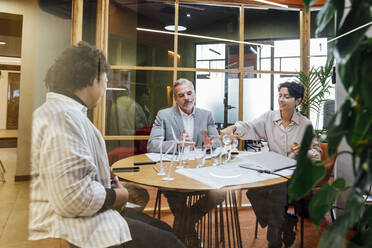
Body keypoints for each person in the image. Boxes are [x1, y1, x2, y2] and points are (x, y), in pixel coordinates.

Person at [29, 41, 185, 248]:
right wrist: (118, 194)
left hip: (84, 216)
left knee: (165, 229)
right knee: (170, 242)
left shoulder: (63, 113)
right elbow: (72, 198)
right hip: (80, 228)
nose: (105, 88)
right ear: (93, 78)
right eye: (105, 80)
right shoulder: (64, 118)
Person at [221, 81, 322, 248]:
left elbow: (317, 155)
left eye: (287, 97)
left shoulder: (305, 125)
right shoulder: (269, 118)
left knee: (278, 192)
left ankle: (273, 240)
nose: (281, 100)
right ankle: (286, 222)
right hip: (273, 173)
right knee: (253, 192)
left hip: (295, 177)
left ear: (298, 101)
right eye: (280, 96)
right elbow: (250, 126)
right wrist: (232, 128)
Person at [147, 78, 225, 244]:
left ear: (194, 94)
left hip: (200, 170)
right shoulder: (164, 115)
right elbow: (152, 145)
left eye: (189, 93)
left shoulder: (206, 115)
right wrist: (178, 144)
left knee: (221, 192)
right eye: (181, 95)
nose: (187, 98)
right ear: (175, 99)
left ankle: (181, 230)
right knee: (176, 195)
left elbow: (217, 142)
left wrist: (209, 145)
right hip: (174, 172)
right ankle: (190, 236)